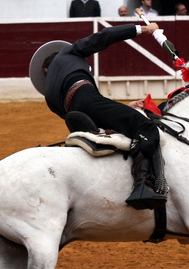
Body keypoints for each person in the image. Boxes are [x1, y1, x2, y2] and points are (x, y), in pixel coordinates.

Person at [29, 22, 167, 210]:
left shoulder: (50, 96)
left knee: (123, 125)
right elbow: (104, 36)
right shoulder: (68, 53)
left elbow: (85, 109)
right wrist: (142, 29)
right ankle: (142, 184)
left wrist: (123, 108)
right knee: (146, 127)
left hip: (82, 112)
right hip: (88, 100)